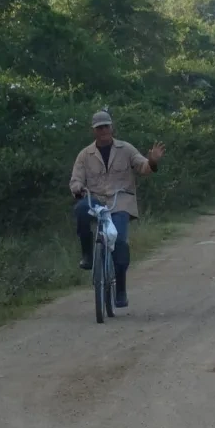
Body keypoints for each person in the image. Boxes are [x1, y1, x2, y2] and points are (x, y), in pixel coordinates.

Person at [68, 109, 165, 309]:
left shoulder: (126, 149)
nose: (103, 130)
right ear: (93, 130)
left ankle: (120, 287)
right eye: (99, 127)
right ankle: (87, 254)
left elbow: (143, 167)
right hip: (95, 200)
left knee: (119, 241)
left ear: (112, 127)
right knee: (80, 210)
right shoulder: (85, 155)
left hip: (120, 201)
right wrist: (77, 187)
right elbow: (76, 179)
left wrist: (153, 161)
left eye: (106, 126)